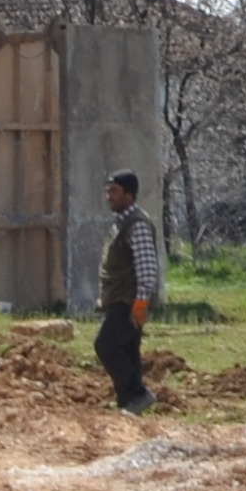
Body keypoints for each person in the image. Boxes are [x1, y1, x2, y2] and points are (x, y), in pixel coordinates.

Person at [97, 167, 164, 411]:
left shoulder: (137, 225)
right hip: (120, 298)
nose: (109, 196)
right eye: (108, 191)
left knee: (105, 345)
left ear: (130, 194)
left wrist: (141, 301)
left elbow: (147, 266)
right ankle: (129, 401)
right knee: (127, 349)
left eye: (114, 191)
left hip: (128, 300)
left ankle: (138, 394)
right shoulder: (122, 223)